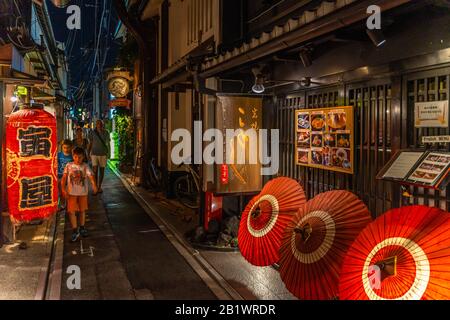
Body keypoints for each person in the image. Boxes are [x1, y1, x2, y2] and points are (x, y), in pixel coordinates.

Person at [61, 147, 98, 242]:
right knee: (72, 212)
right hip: (71, 193)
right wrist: (63, 189)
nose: (78, 159)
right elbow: (64, 178)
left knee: (82, 211)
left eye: (80, 157)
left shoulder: (85, 166)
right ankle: (74, 230)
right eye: (76, 157)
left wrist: (94, 185)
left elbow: (91, 176)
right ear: (73, 156)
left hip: (83, 193)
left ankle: (82, 227)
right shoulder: (68, 165)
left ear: (83, 157)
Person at [88, 120, 110, 193]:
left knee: (102, 171)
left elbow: (108, 143)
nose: (99, 125)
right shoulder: (92, 132)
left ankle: (99, 186)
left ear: (102, 125)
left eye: (100, 124)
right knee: (94, 170)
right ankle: (95, 186)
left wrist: (108, 153)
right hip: (94, 153)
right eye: (98, 124)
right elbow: (90, 143)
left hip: (103, 153)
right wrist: (88, 152)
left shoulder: (106, 132)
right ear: (96, 125)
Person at [57, 140, 73, 210]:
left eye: (68, 147)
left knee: (70, 191)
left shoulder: (72, 156)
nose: (66, 149)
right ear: (62, 147)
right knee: (61, 192)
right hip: (60, 175)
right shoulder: (59, 155)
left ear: (71, 147)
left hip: (69, 176)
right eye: (64, 147)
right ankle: (63, 204)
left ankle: (70, 204)